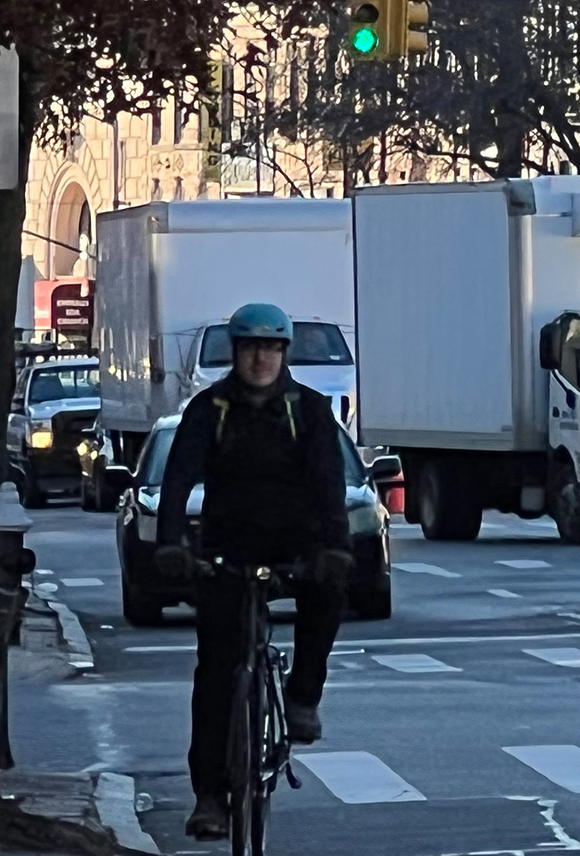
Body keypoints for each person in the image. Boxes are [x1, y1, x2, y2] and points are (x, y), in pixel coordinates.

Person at [153, 303, 354, 840]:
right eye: (250, 348)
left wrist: (333, 545)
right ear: (235, 353)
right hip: (227, 542)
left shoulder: (308, 411)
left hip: (297, 538)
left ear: (284, 353)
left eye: (270, 348)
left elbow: (330, 483)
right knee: (217, 668)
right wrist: (171, 542)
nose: (260, 358)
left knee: (329, 589)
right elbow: (176, 482)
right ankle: (209, 796)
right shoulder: (208, 409)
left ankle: (304, 695)